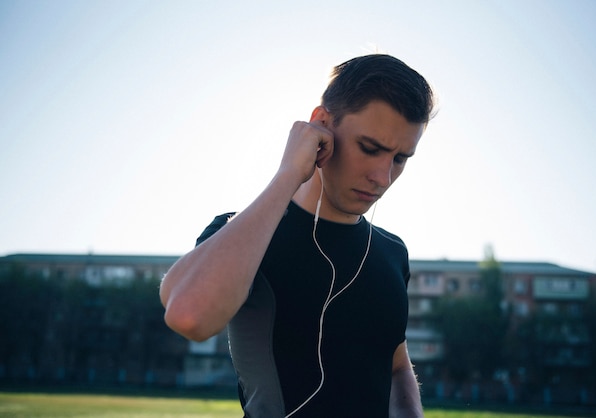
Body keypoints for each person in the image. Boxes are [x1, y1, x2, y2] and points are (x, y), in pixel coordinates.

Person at [160, 54, 435, 418]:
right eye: (370, 149)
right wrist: (289, 173)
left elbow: (396, 364)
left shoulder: (391, 251)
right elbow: (189, 316)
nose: (383, 177)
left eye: (400, 158)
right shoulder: (241, 232)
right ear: (321, 124)